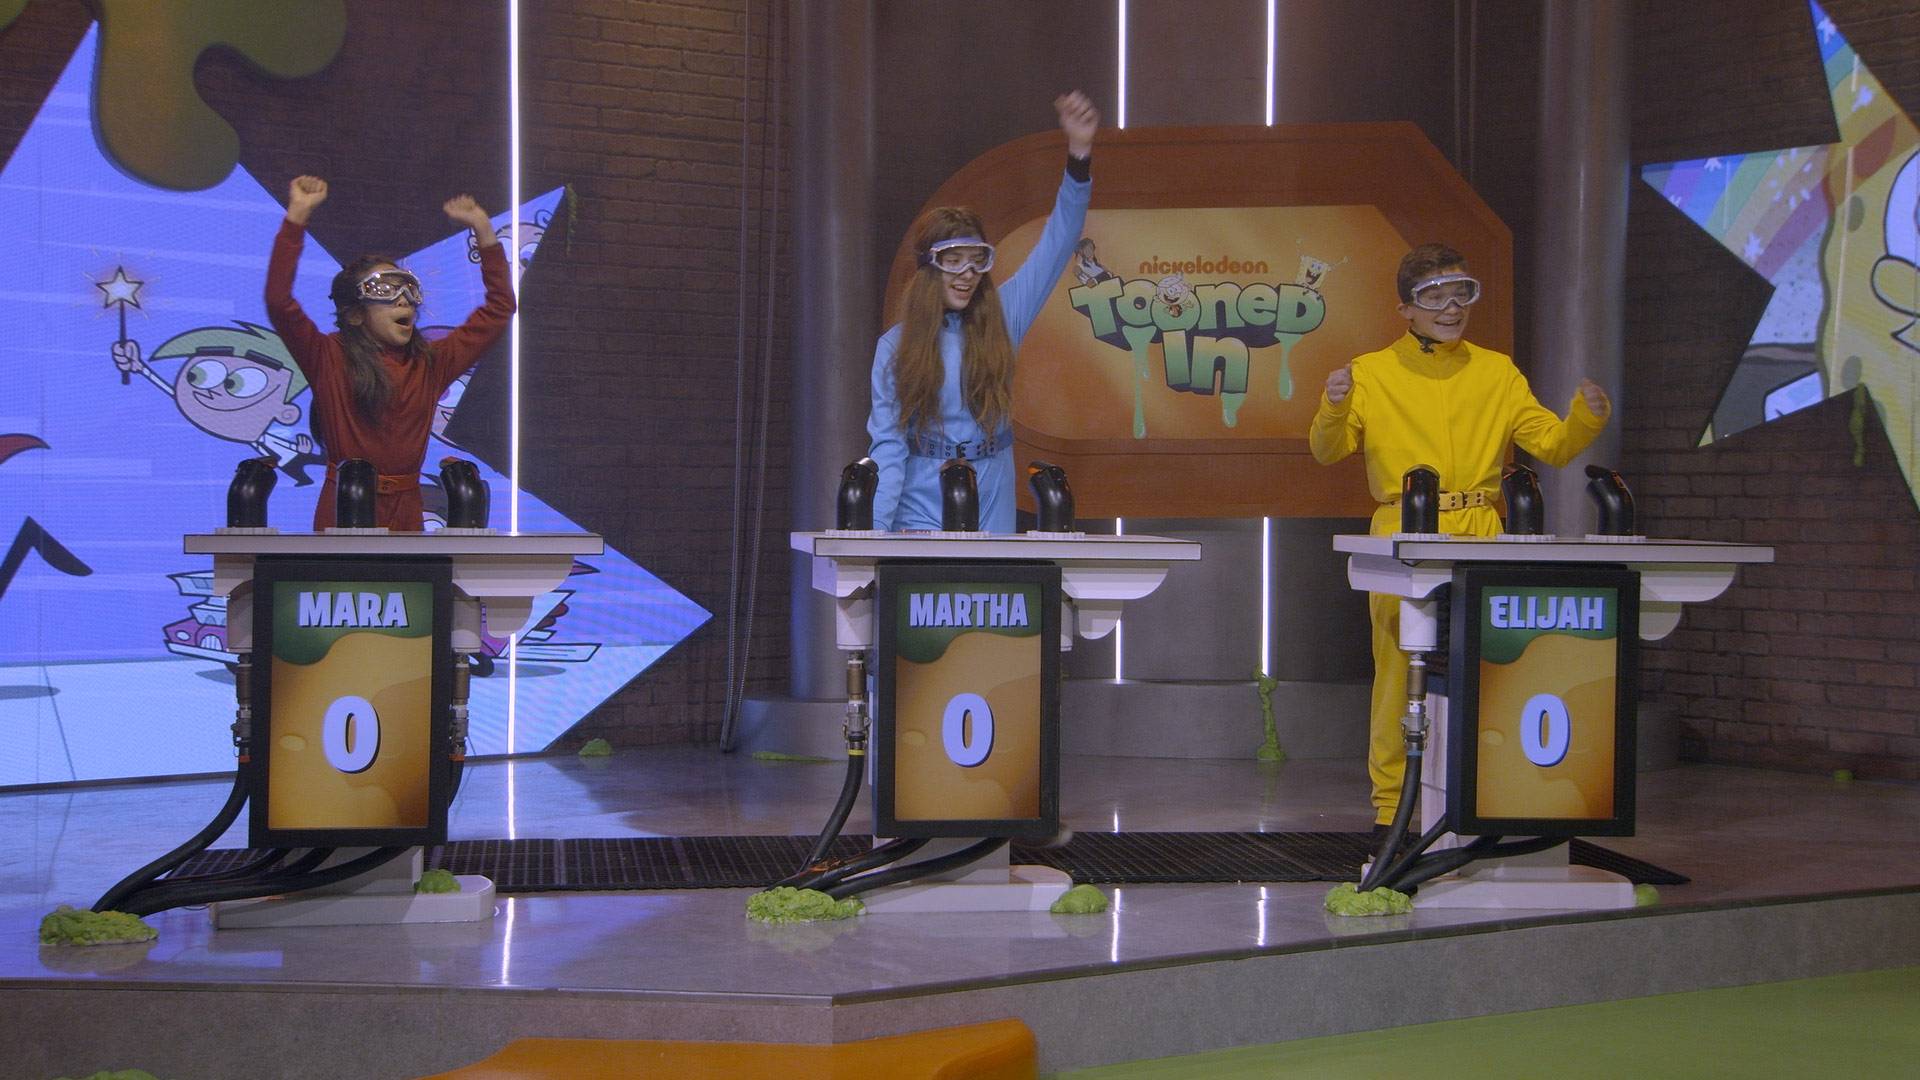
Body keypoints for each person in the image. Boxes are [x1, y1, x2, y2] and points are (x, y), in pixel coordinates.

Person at [1308, 243, 1612, 836]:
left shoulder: (1497, 371)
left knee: (1488, 664)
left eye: (1461, 294)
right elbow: (1327, 449)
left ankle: (1481, 793)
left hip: (1481, 529)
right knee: (1401, 669)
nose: (1451, 308)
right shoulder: (1372, 371)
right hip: (1405, 527)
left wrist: (1586, 418)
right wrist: (1335, 405)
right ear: (1405, 309)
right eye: (1434, 297)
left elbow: (1551, 445)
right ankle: (1392, 810)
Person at [867, 91, 1100, 533]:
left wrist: (1079, 156)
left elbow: (1059, 241)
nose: (967, 274)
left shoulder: (1004, 313)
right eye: (953, 261)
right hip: (919, 504)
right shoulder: (894, 348)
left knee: (989, 580)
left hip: (991, 494)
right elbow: (889, 448)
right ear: (929, 268)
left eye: (977, 261)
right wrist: (873, 539)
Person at [265, 175, 515, 530]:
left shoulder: (430, 362)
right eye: (386, 291)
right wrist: (297, 217)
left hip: (406, 512)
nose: (403, 300)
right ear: (355, 314)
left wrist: (484, 231)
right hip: (343, 507)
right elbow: (279, 301)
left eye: (409, 290)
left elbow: (500, 309)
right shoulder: (328, 356)